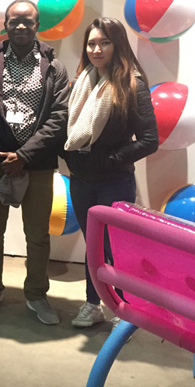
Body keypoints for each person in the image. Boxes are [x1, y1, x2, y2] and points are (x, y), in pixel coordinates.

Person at [0, 0, 69, 325]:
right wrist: (1, 155)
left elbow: (59, 116)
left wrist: (25, 155)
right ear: (6, 25)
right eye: (15, 21)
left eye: (28, 21)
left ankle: (37, 294)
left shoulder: (54, 66)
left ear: (38, 25)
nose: (21, 26)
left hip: (38, 163)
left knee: (38, 234)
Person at [62, 17, 158, 328]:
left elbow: (149, 140)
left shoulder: (133, 84)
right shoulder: (80, 85)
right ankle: (93, 305)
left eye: (104, 42)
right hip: (82, 181)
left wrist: (114, 159)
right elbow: (68, 130)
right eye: (91, 43)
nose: (97, 49)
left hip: (114, 181)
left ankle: (123, 309)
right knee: (94, 246)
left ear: (117, 45)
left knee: (115, 247)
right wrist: (71, 160)